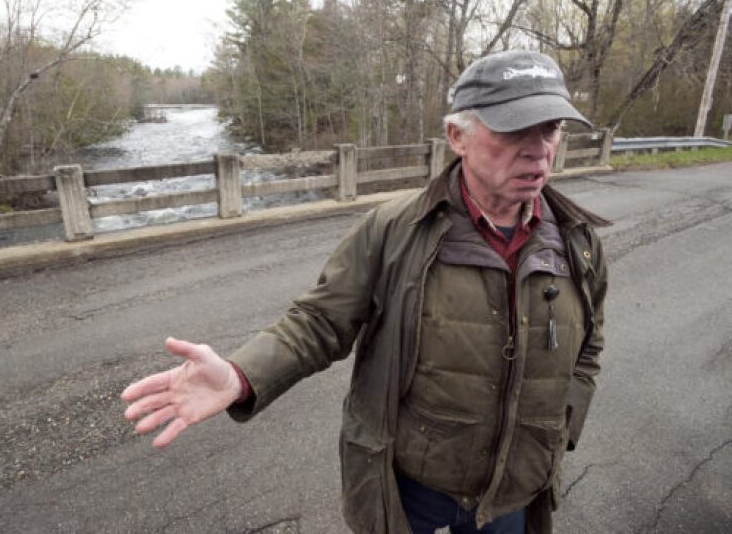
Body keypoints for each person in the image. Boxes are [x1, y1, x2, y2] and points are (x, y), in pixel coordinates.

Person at [121, 50, 609, 534]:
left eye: (550, 128)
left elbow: (589, 346)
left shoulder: (578, 241)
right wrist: (240, 374)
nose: (539, 148)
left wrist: (559, 428)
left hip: (514, 490)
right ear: (457, 136)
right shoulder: (395, 230)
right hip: (412, 486)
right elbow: (318, 322)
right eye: (515, 129)